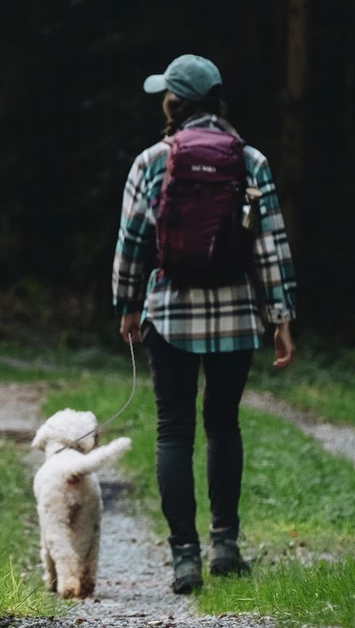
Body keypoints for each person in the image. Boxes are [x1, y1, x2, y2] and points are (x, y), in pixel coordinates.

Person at [111, 54, 297, 594]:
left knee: (174, 431)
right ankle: (226, 546)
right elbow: (271, 247)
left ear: (175, 103)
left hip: (168, 313)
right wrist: (279, 317)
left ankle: (184, 558)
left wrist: (126, 305)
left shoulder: (151, 160)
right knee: (223, 425)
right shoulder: (251, 160)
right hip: (237, 315)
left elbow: (132, 241)